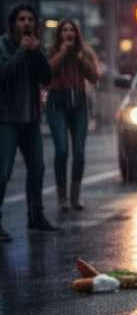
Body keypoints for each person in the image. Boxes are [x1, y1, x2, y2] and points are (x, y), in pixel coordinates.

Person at [0, 5, 60, 240]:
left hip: (31, 119)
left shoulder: (35, 47)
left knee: (37, 168)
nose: (26, 23)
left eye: (30, 19)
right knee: (3, 171)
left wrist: (36, 53)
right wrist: (22, 52)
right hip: (6, 118)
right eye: (22, 19)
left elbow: (47, 77)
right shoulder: (3, 45)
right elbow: (5, 74)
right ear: (13, 23)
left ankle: (36, 216)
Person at [46, 20, 99, 213]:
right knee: (61, 150)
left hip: (78, 106)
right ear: (59, 34)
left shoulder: (85, 53)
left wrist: (78, 57)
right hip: (56, 105)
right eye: (65, 30)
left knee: (79, 152)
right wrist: (62, 52)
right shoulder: (51, 51)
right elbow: (47, 73)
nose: (68, 33)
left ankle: (75, 196)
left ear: (77, 34)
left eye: (72, 30)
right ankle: (62, 198)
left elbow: (94, 76)